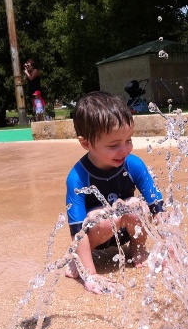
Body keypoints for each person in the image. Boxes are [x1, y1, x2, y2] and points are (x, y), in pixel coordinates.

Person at [65, 91, 164, 294]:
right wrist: (90, 274)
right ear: (86, 144)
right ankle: (79, 258)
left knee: (137, 206)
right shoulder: (77, 177)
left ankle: (137, 249)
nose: (125, 150)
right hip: (96, 236)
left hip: (124, 230)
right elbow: (77, 232)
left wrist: (170, 246)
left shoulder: (134, 164)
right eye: (114, 145)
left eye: (128, 140)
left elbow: (158, 207)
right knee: (99, 218)